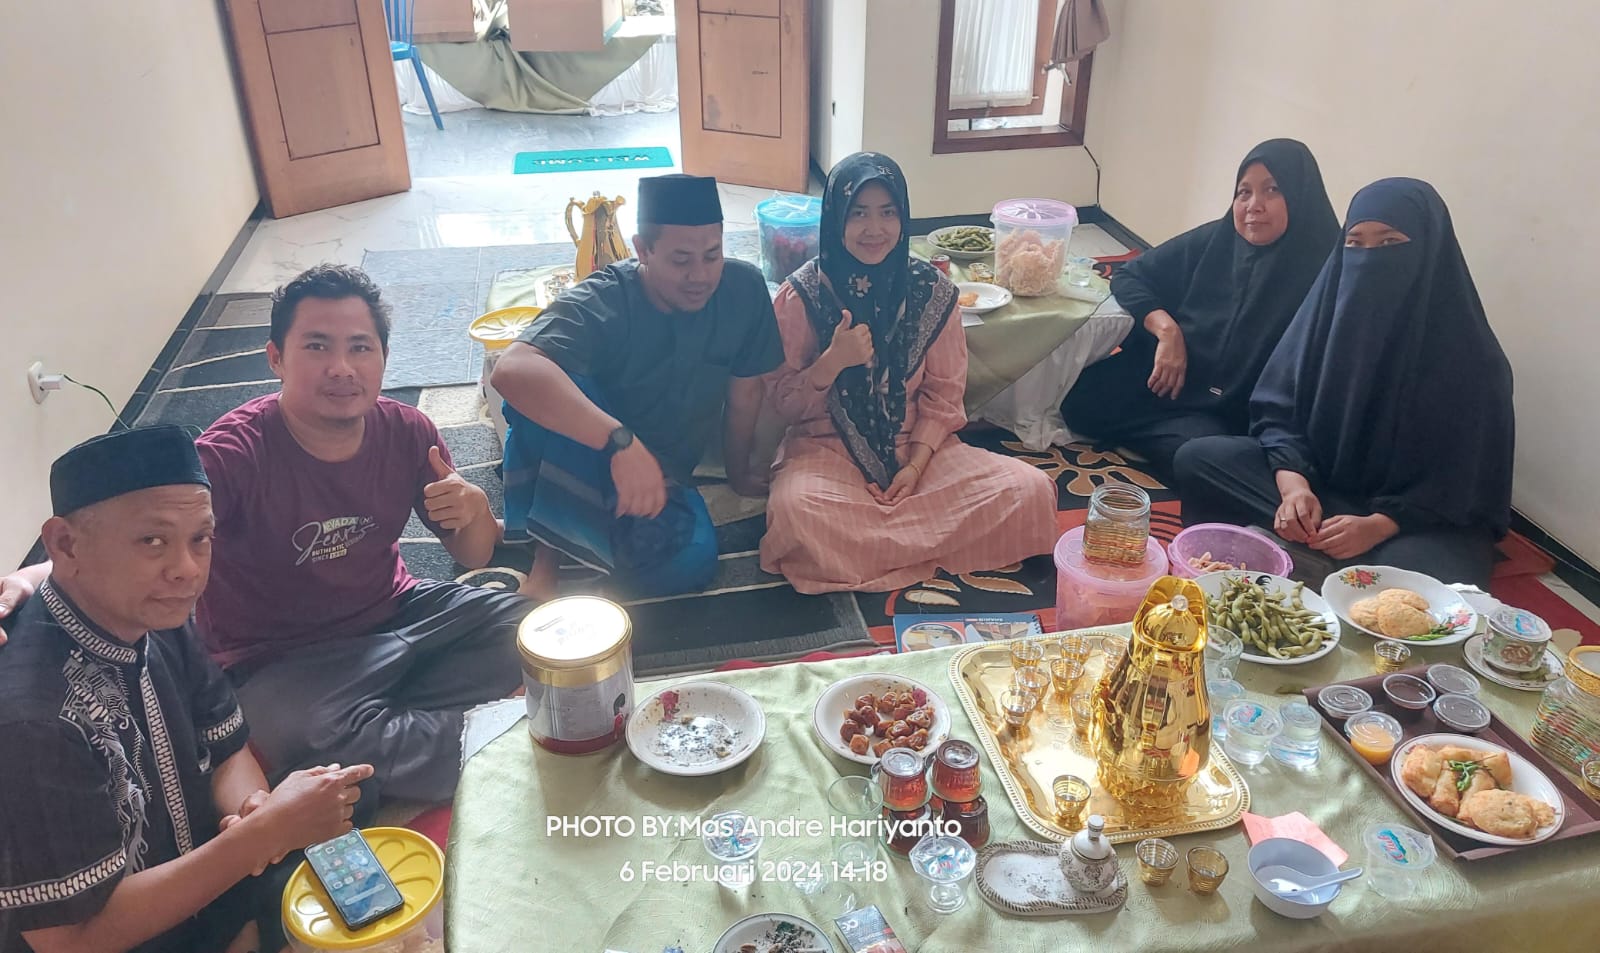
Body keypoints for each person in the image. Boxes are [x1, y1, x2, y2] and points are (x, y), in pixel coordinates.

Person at [0, 265, 530, 809]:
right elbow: (135, 532)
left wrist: (476, 511)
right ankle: (502, 736)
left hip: (398, 611)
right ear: (275, 357)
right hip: (278, 657)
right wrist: (29, 576)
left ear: (384, 358)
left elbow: (475, 555)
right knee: (307, 729)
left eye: (361, 348)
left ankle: (420, 730)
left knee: (529, 626)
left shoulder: (408, 431)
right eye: (317, 347)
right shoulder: (231, 455)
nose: (342, 368)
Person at [0, 426, 370, 953]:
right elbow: (71, 940)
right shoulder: (29, 720)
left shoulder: (155, 611)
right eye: (152, 541)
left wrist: (259, 811)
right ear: (65, 544)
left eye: (201, 538)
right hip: (117, 936)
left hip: (204, 872)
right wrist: (260, 841)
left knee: (338, 796)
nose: (187, 570)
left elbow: (227, 751)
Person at [1174, 178, 1514, 588]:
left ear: (1430, 250)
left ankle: (1320, 558)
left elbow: (1464, 481)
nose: (1369, 258)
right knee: (1198, 459)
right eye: (1355, 244)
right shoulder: (1324, 321)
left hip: (1417, 519)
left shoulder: (1473, 359)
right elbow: (1277, 410)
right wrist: (1294, 488)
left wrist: (1380, 524)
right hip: (1323, 487)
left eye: (1390, 244)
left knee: (1427, 582)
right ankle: (1322, 556)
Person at [759, 152, 1059, 593]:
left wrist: (915, 467)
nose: (874, 229)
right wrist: (832, 362)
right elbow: (780, 404)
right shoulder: (802, 294)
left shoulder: (931, 290)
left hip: (919, 451)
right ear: (835, 218)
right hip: (826, 452)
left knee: (1030, 489)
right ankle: (927, 545)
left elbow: (943, 396)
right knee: (798, 513)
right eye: (858, 214)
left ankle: (872, 552)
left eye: (887, 213)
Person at [491, 173, 783, 600]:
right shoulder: (604, 299)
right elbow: (510, 369)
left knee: (691, 563)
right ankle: (548, 557)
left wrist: (739, 473)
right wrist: (619, 443)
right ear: (642, 249)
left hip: (661, 473)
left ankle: (543, 527)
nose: (700, 275)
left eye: (712, 255)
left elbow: (746, 393)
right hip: (586, 451)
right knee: (555, 380)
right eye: (681, 260)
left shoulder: (743, 288)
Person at [1060, 139, 1340, 477]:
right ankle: (1163, 442)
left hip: (1236, 412)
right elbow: (1131, 276)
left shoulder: (1325, 269)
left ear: (1300, 195)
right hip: (1171, 381)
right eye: (1244, 192)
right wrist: (1167, 330)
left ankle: (1165, 444)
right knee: (1078, 400)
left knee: (1203, 452)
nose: (1254, 205)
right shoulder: (1217, 240)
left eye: (1273, 190)